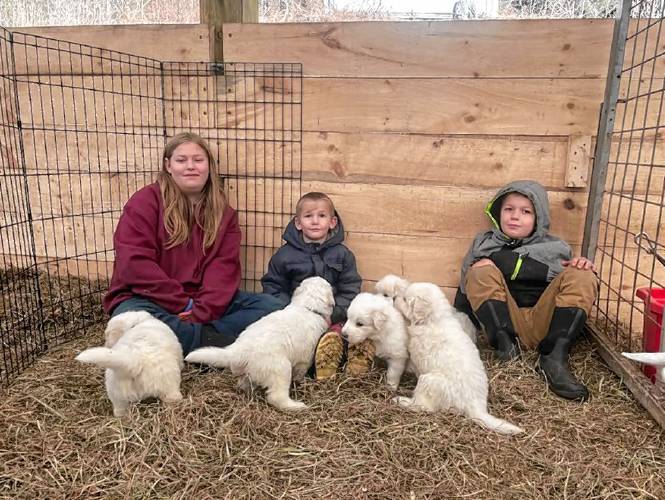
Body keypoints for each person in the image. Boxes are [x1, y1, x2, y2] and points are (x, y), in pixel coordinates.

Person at [103, 132, 282, 355]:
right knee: (131, 323)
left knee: (273, 308)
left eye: (198, 160)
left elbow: (223, 270)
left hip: (199, 302)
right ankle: (219, 343)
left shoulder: (224, 215)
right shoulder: (144, 202)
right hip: (144, 298)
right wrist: (182, 304)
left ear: (209, 166)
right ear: (168, 165)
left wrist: (201, 311)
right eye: (181, 160)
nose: (190, 166)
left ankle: (198, 339)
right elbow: (135, 265)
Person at [454, 180, 599, 401]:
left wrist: (578, 266)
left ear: (538, 218)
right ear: (497, 212)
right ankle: (507, 350)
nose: (515, 216)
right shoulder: (483, 245)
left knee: (583, 273)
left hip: (545, 322)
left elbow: (567, 286)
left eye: (525, 211)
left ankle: (554, 357)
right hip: (506, 322)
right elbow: (465, 290)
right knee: (479, 271)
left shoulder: (557, 248)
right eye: (508, 209)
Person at [261, 192, 372, 380]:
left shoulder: (343, 255)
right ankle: (320, 362)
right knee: (296, 337)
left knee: (342, 330)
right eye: (308, 216)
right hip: (296, 317)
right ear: (298, 223)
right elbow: (273, 285)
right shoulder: (284, 255)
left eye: (321, 216)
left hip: (332, 316)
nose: (315, 221)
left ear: (332, 222)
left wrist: (334, 313)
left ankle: (347, 356)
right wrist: (289, 311)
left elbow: (350, 288)